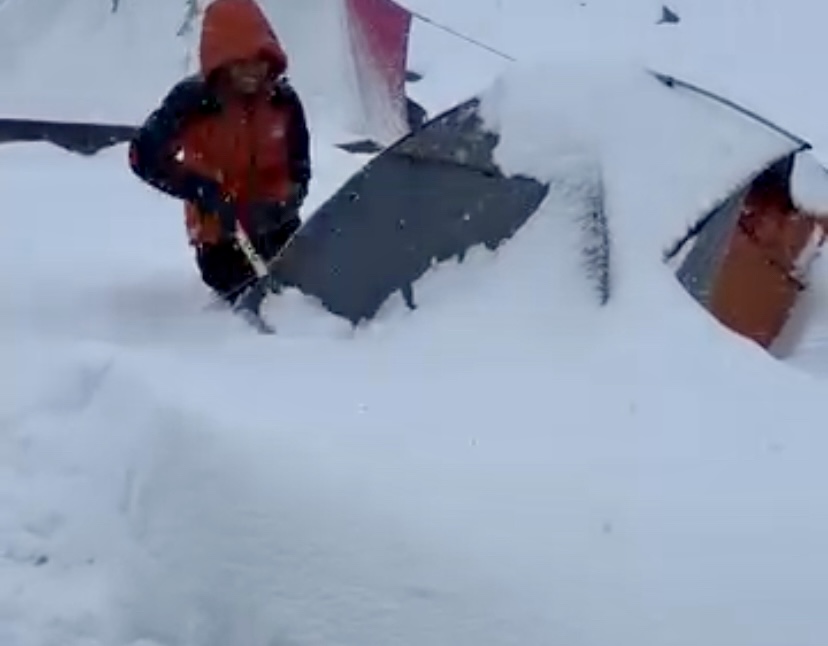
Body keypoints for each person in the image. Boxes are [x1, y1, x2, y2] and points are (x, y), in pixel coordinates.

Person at [128, 0, 311, 315]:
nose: (252, 71)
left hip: (278, 226)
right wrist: (202, 190)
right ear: (220, 61)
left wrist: (284, 205)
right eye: (240, 62)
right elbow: (143, 156)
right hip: (221, 237)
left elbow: (299, 167)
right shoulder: (192, 102)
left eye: (260, 60)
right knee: (251, 299)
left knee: (304, 296)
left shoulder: (283, 102)